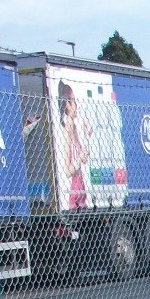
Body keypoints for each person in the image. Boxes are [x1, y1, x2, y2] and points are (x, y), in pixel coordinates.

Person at [57, 80, 89, 210]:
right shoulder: (65, 132)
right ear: (67, 105)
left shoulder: (75, 128)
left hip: (82, 190)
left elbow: (84, 159)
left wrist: (87, 138)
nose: (77, 106)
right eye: (74, 101)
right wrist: (78, 159)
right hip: (74, 194)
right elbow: (68, 171)